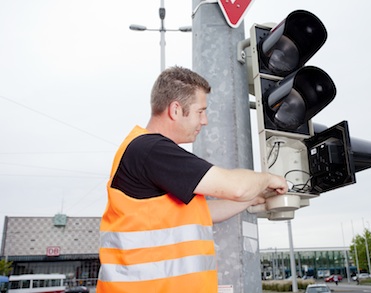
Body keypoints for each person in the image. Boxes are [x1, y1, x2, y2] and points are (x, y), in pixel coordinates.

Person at [96, 66, 288, 293]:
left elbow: (203, 213)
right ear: (175, 110)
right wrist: (269, 179)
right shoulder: (152, 149)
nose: (205, 121)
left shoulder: (149, 152)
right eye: (200, 111)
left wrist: (252, 198)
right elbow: (235, 188)